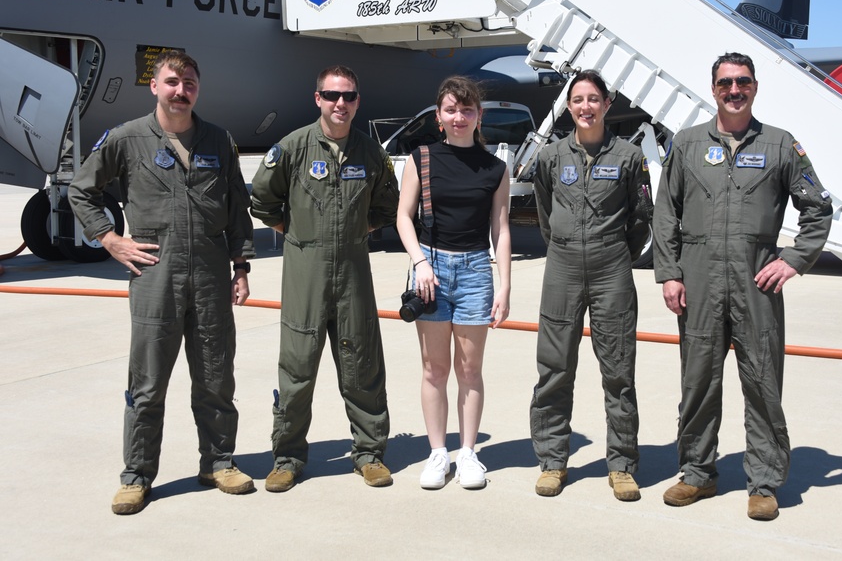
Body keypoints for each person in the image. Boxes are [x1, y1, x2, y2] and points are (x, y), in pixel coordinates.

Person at [68, 50, 256, 515]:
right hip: (155, 276)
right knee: (148, 384)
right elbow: (81, 190)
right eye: (172, 81)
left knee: (215, 378)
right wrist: (110, 239)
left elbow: (237, 208)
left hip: (212, 274)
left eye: (189, 82)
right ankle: (136, 476)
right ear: (154, 86)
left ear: (197, 88)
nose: (181, 90)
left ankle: (218, 462)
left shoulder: (218, 139)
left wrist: (242, 265)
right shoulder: (127, 138)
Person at [653, 52, 833, 521]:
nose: (734, 90)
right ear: (713, 89)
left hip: (756, 283)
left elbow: (817, 208)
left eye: (743, 82)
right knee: (697, 382)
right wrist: (669, 272)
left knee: (761, 381)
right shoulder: (688, 144)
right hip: (699, 280)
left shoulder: (778, 145)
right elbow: (665, 212)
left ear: (755, 87)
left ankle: (765, 481)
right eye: (725, 83)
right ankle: (696, 473)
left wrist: (793, 260)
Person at [250, 65, 399, 492]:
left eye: (349, 96)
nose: (340, 104)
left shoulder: (371, 153)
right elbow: (262, 200)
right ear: (317, 98)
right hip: (305, 273)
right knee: (297, 368)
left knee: (362, 366)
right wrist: (297, 235)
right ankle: (287, 456)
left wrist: (356, 234)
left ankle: (369, 453)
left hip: (354, 272)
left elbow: (388, 206)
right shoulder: (294, 147)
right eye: (332, 95)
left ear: (357, 100)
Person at [529, 69, 652, 501]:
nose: (585, 107)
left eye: (593, 99)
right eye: (577, 100)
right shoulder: (550, 157)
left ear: (607, 104)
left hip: (611, 267)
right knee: (554, 368)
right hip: (561, 265)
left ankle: (620, 464)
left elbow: (641, 218)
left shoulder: (630, 157)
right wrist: (565, 244)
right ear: (569, 106)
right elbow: (545, 211)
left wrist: (614, 251)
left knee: (618, 370)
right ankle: (552, 462)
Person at [395, 76, 512, 490]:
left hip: (477, 271)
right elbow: (403, 217)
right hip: (432, 271)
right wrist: (420, 261)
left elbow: (500, 228)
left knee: (469, 369)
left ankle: (468, 454)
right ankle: (437, 453)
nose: (458, 117)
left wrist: (504, 285)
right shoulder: (421, 158)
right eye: (450, 109)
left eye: (467, 110)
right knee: (434, 368)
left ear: (479, 116)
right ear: (439, 116)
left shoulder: (496, 168)